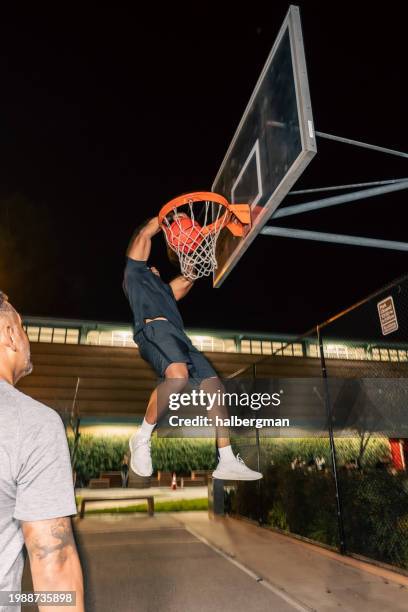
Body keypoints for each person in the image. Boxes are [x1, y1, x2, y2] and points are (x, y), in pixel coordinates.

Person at [123, 216, 262, 481]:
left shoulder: (165, 290)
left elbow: (188, 278)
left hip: (180, 339)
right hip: (154, 331)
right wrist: (167, 217)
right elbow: (144, 234)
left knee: (215, 388)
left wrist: (207, 234)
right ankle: (141, 437)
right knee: (177, 377)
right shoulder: (134, 274)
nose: (154, 268)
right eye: (150, 265)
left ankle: (227, 458)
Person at [0, 292, 84, 612]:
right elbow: (55, 564)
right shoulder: (32, 423)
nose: (27, 338)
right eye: (23, 328)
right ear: (9, 334)